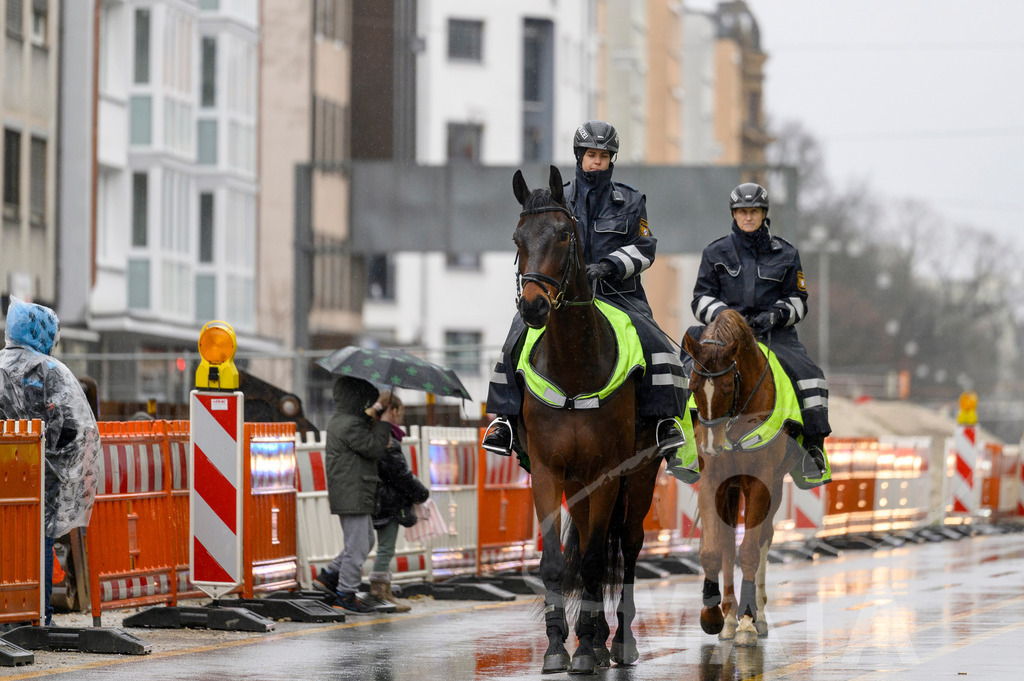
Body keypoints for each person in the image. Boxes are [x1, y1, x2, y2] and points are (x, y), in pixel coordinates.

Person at [482, 119, 694, 480]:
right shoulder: (557, 199)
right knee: (516, 334)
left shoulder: (630, 200)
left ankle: (665, 424)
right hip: (564, 298)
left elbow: (646, 249)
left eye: (604, 156)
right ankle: (503, 419)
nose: (597, 162)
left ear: (612, 160)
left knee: (658, 346)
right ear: (579, 157)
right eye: (591, 155)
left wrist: (609, 266)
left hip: (620, 296)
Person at [686, 182, 831, 488]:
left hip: (773, 336)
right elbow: (700, 299)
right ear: (734, 214)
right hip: (723, 336)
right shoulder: (715, 252)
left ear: (764, 214)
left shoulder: (787, 253)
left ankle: (812, 449)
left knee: (811, 376)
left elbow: (798, 301)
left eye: (753, 212)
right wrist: (728, 319)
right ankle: (681, 444)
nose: (747, 217)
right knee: (684, 367)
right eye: (742, 212)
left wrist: (776, 314)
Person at [0, 297, 99, 625]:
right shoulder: (51, 371)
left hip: (6, 468)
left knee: (8, 538)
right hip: (43, 472)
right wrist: (57, 461)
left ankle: (9, 611)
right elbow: (73, 423)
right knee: (38, 538)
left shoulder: (1, 367)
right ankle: (39, 613)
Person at [312, 376, 392, 614]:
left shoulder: (344, 420)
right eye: (366, 399)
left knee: (365, 541)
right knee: (357, 546)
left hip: (354, 490)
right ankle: (345, 594)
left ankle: (328, 577)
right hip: (352, 491)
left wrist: (377, 411)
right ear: (356, 399)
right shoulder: (348, 424)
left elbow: (362, 425)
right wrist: (385, 422)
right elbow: (374, 447)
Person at [368, 392, 429, 612]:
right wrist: (420, 492)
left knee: (383, 546)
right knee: (386, 547)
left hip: (380, 498)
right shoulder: (386, 439)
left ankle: (383, 591)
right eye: (399, 411)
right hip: (387, 500)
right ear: (391, 410)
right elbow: (399, 473)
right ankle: (379, 592)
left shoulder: (379, 434)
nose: (400, 417)